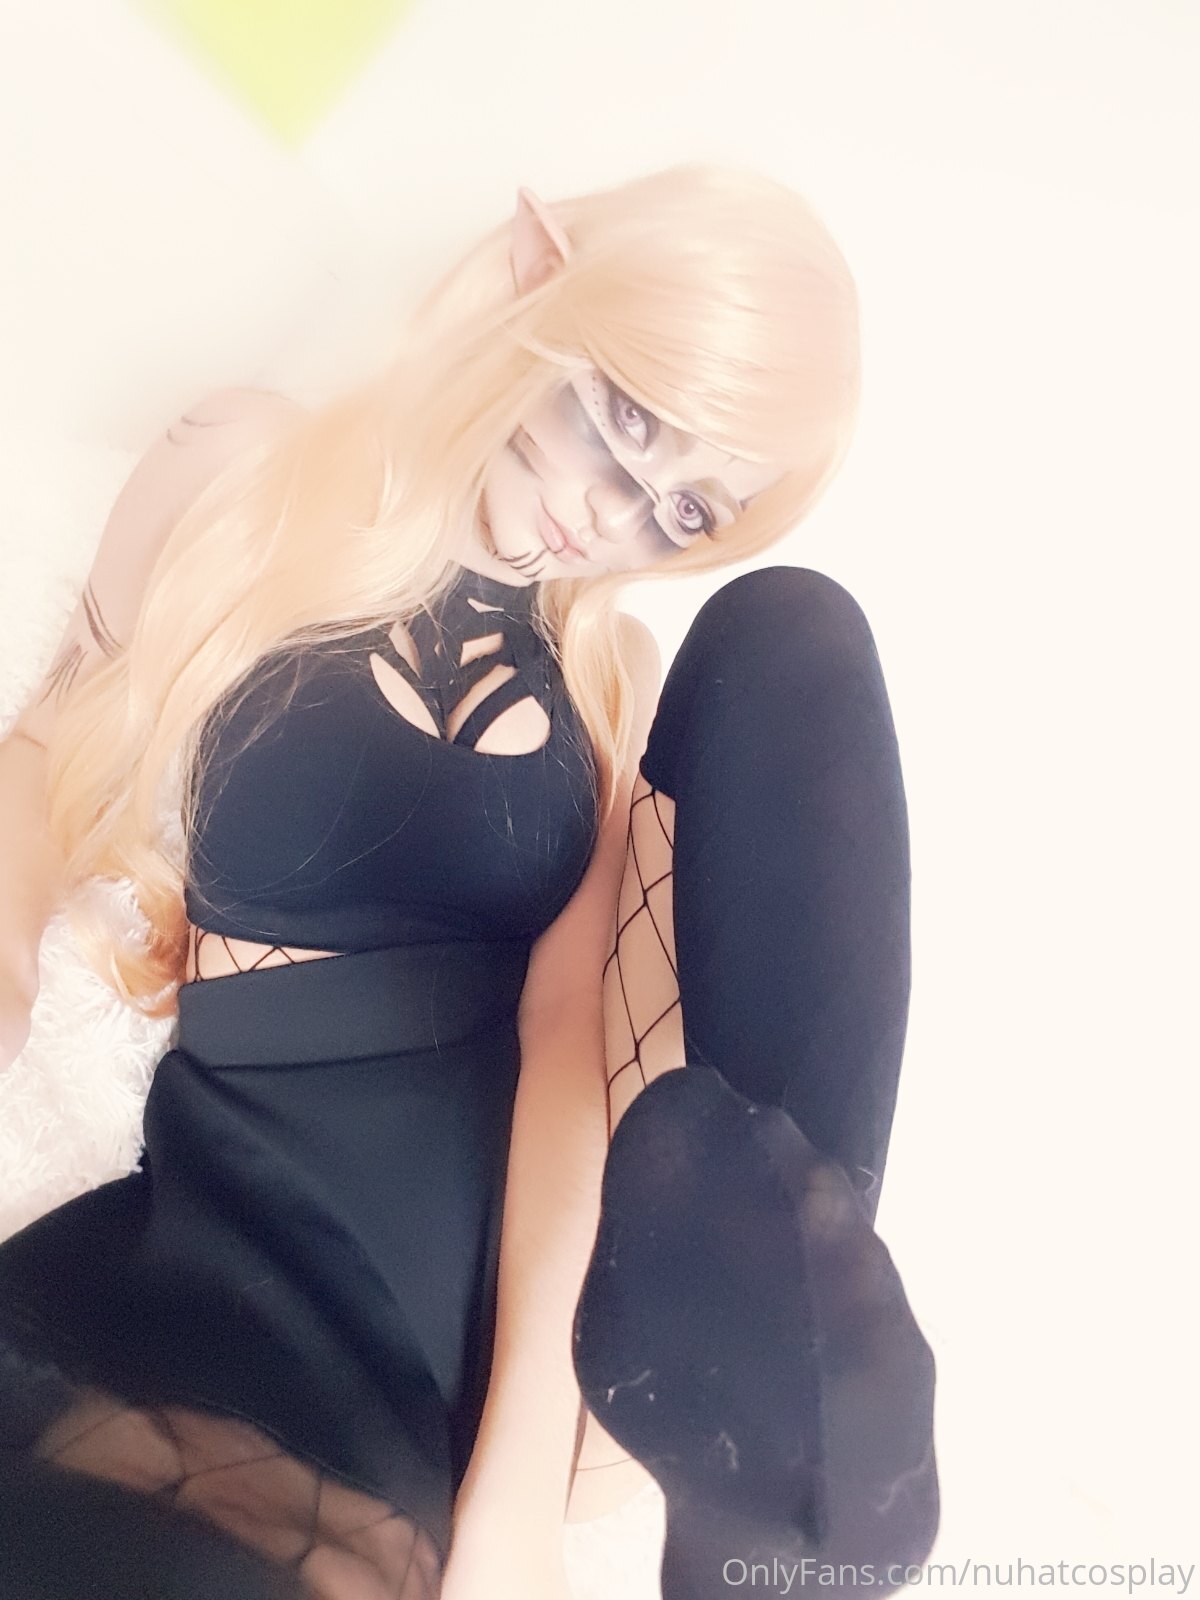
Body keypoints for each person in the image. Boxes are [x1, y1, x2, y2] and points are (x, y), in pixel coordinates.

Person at [0, 164, 938, 1599]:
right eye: (628, 421)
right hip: (233, 1211)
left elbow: (564, 1050)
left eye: (685, 511)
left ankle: (787, 1398)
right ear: (529, 271)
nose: (614, 517)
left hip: (507, 1278)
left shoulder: (608, 681)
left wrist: (515, 1501)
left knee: (792, 638)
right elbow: (45, 746)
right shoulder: (245, 468)